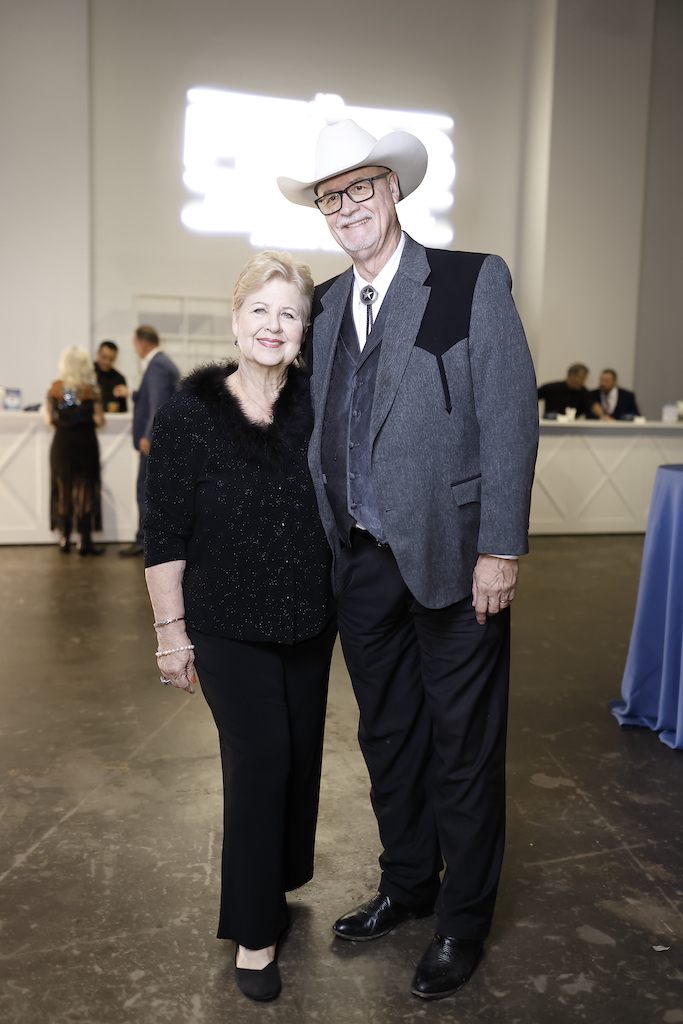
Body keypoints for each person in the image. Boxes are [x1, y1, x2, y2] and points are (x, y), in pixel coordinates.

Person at [278, 119, 539, 1001]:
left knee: (463, 746)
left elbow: (508, 419)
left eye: (358, 189)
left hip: (458, 557)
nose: (346, 208)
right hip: (358, 560)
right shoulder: (318, 306)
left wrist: (500, 546)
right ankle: (407, 884)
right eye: (329, 198)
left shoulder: (470, 281)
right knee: (388, 738)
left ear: (392, 188)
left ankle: (462, 921)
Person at [142, 251, 336, 1003]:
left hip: (308, 622)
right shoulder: (190, 416)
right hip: (225, 628)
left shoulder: (320, 408)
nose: (273, 325)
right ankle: (254, 932)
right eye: (260, 310)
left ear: (303, 330)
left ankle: (279, 885)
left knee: (299, 760)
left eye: (289, 313)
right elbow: (164, 534)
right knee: (260, 763)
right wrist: (171, 632)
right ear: (235, 319)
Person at [119, 326, 179, 557]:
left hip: (155, 442)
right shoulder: (162, 364)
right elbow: (152, 397)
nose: (135, 350)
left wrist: (149, 435)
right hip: (162, 440)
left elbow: (158, 403)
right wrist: (132, 394)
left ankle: (145, 542)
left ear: (142, 343)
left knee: (145, 490)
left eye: (135, 345)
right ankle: (148, 540)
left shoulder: (157, 366)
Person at [45, 346, 105, 555]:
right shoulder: (92, 389)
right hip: (85, 443)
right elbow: (99, 419)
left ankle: (64, 539)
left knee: (63, 490)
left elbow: (49, 420)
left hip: (62, 444)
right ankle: (85, 540)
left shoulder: (55, 389)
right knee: (85, 490)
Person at [537, 363, 605, 419]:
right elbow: (532, 398)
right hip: (550, 427)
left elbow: (593, 404)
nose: (583, 382)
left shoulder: (582, 391)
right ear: (572, 376)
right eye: (582, 379)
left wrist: (602, 415)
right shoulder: (552, 388)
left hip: (571, 429)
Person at [95, 341, 129, 412]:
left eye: (111, 359)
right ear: (98, 353)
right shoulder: (87, 374)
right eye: (104, 357)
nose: (107, 362)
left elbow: (123, 410)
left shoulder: (119, 379)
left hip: (112, 421)